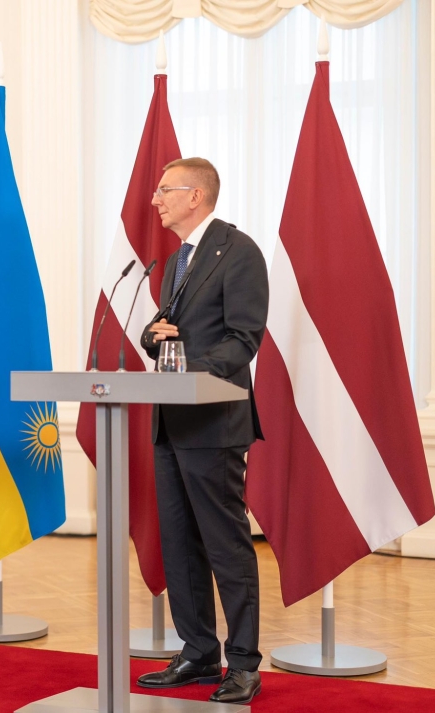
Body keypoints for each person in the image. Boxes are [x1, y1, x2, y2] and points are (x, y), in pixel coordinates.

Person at [136, 158, 268, 704]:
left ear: (197, 195)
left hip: (214, 423)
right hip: (171, 422)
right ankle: (197, 651)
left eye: (165, 190)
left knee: (225, 544)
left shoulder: (239, 252)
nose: (156, 200)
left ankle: (243, 663)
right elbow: (172, 336)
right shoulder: (174, 263)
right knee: (179, 544)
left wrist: (187, 366)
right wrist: (152, 336)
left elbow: (243, 339)